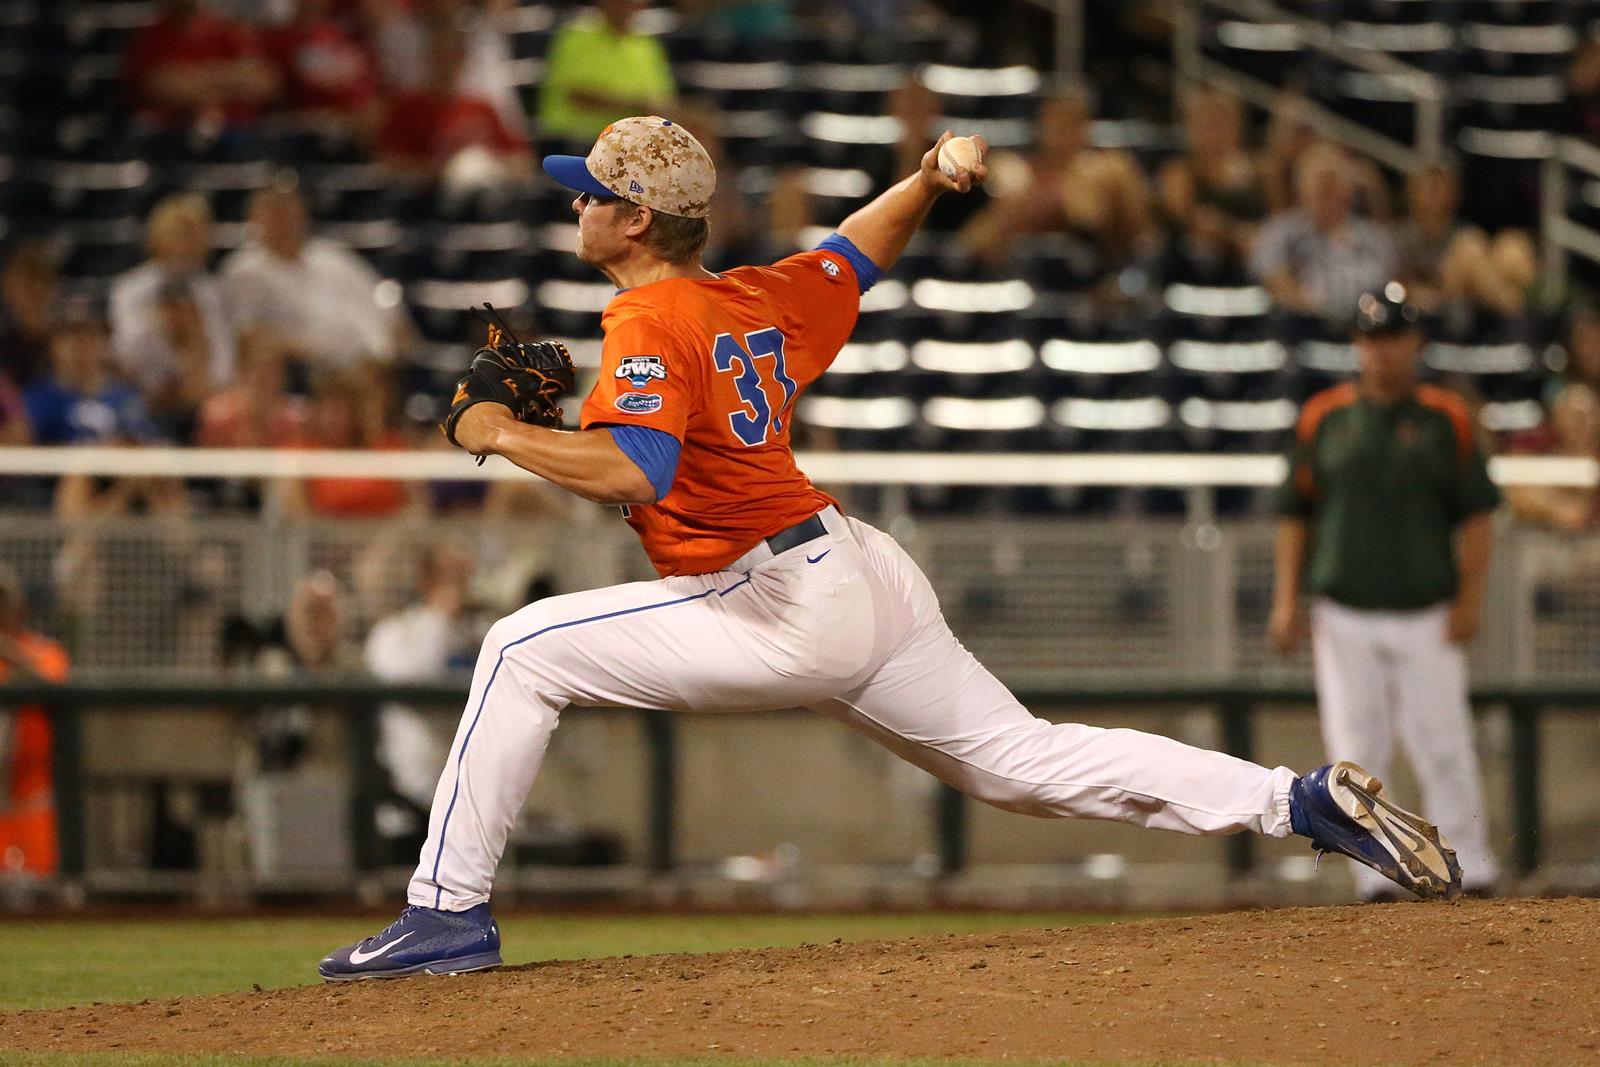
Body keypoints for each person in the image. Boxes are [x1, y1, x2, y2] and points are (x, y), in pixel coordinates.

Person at [319, 117, 1464, 981]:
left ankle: (446, 911)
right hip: (852, 567)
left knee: (521, 648)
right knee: (1024, 762)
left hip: (773, 596)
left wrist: (498, 432)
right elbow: (857, 251)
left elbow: (633, 474)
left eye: (590, 197)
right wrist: (922, 177)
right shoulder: (751, 298)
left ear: (631, 221)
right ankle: (1300, 798)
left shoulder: (651, 316)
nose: (575, 208)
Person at [1269, 282, 1501, 900]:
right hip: (1343, 611)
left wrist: (1471, 598)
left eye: (1394, 338)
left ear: (1416, 343)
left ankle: (1470, 867)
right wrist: (1286, 599)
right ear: (1357, 344)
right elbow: (1295, 513)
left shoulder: (1446, 417)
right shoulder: (1325, 417)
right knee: (1356, 750)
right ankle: (1376, 877)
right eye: (1372, 339)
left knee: (1443, 743)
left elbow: (1477, 516)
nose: (1383, 351)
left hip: (1427, 610)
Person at [221, 179, 408, 372]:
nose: (284, 218)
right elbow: (245, 336)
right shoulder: (245, 270)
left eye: (289, 208)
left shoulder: (332, 256)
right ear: (254, 218)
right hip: (316, 375)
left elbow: (390, 311)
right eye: (274, 210)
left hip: (380, 368)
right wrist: (318, 351)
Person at [109, 194, 237, 406]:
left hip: (204, 398)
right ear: (158, 237)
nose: (188, 244)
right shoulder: (131, 289)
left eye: (196, 233)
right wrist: (165, 329)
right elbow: (127, 353)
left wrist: (195, 339)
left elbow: (224, 364)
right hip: (145, 398)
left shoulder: (214, 292)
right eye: (181, 233)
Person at [375, 22, 532, 185]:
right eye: (440, 53)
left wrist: (489, 168)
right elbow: (387, 163)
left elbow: (522, 161)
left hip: (484, 196)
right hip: (427, 199)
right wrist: (439, 171)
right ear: (428, 56)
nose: (446, 60)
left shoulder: (482, 108)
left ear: (463, 58)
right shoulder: (408, 109)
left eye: (452, 53)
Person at [1252, 144, 1396, 318]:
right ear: (1302, 186)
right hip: (1304, 323)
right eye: (1319, 182)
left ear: (1349, 189)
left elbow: (1389, 282)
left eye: (1334, 181)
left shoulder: (1372, 237)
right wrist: (1314, 306)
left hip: (1366, 323)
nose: (1327, 190)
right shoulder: (1281, 231)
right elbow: (1275, 279)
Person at [0, 564, 71, 877]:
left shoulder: (45, 651)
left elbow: (50, 682)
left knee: (41, 899)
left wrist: (6, 649)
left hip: (33, 801)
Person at [1393, 163, 1535, 319]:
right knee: (1469, 249)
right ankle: (1522, 316)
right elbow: (1393, 283)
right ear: (1410, 192)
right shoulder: (1401, 236)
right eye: (1430, 189)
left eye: (1441, 188)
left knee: (1512, 246)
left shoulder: (1458, 230)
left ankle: (1523, 317)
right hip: (1433, 308)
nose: (1435, 196)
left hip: (1472, 302)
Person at [123, 0, 280, 130]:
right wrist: (229, 79)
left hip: (238, 136)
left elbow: (262, 82)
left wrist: (193, 77)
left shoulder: (230, 31)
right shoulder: (149, 38)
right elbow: (156, 86)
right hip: (169, 138)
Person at [536, 0, 676, 143]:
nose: (625, 7)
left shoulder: (648, 46)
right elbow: (576, 96)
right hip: (576, 140)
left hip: (630, 143)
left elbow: (661, 101)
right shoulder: (576, 38)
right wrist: (634, 105)